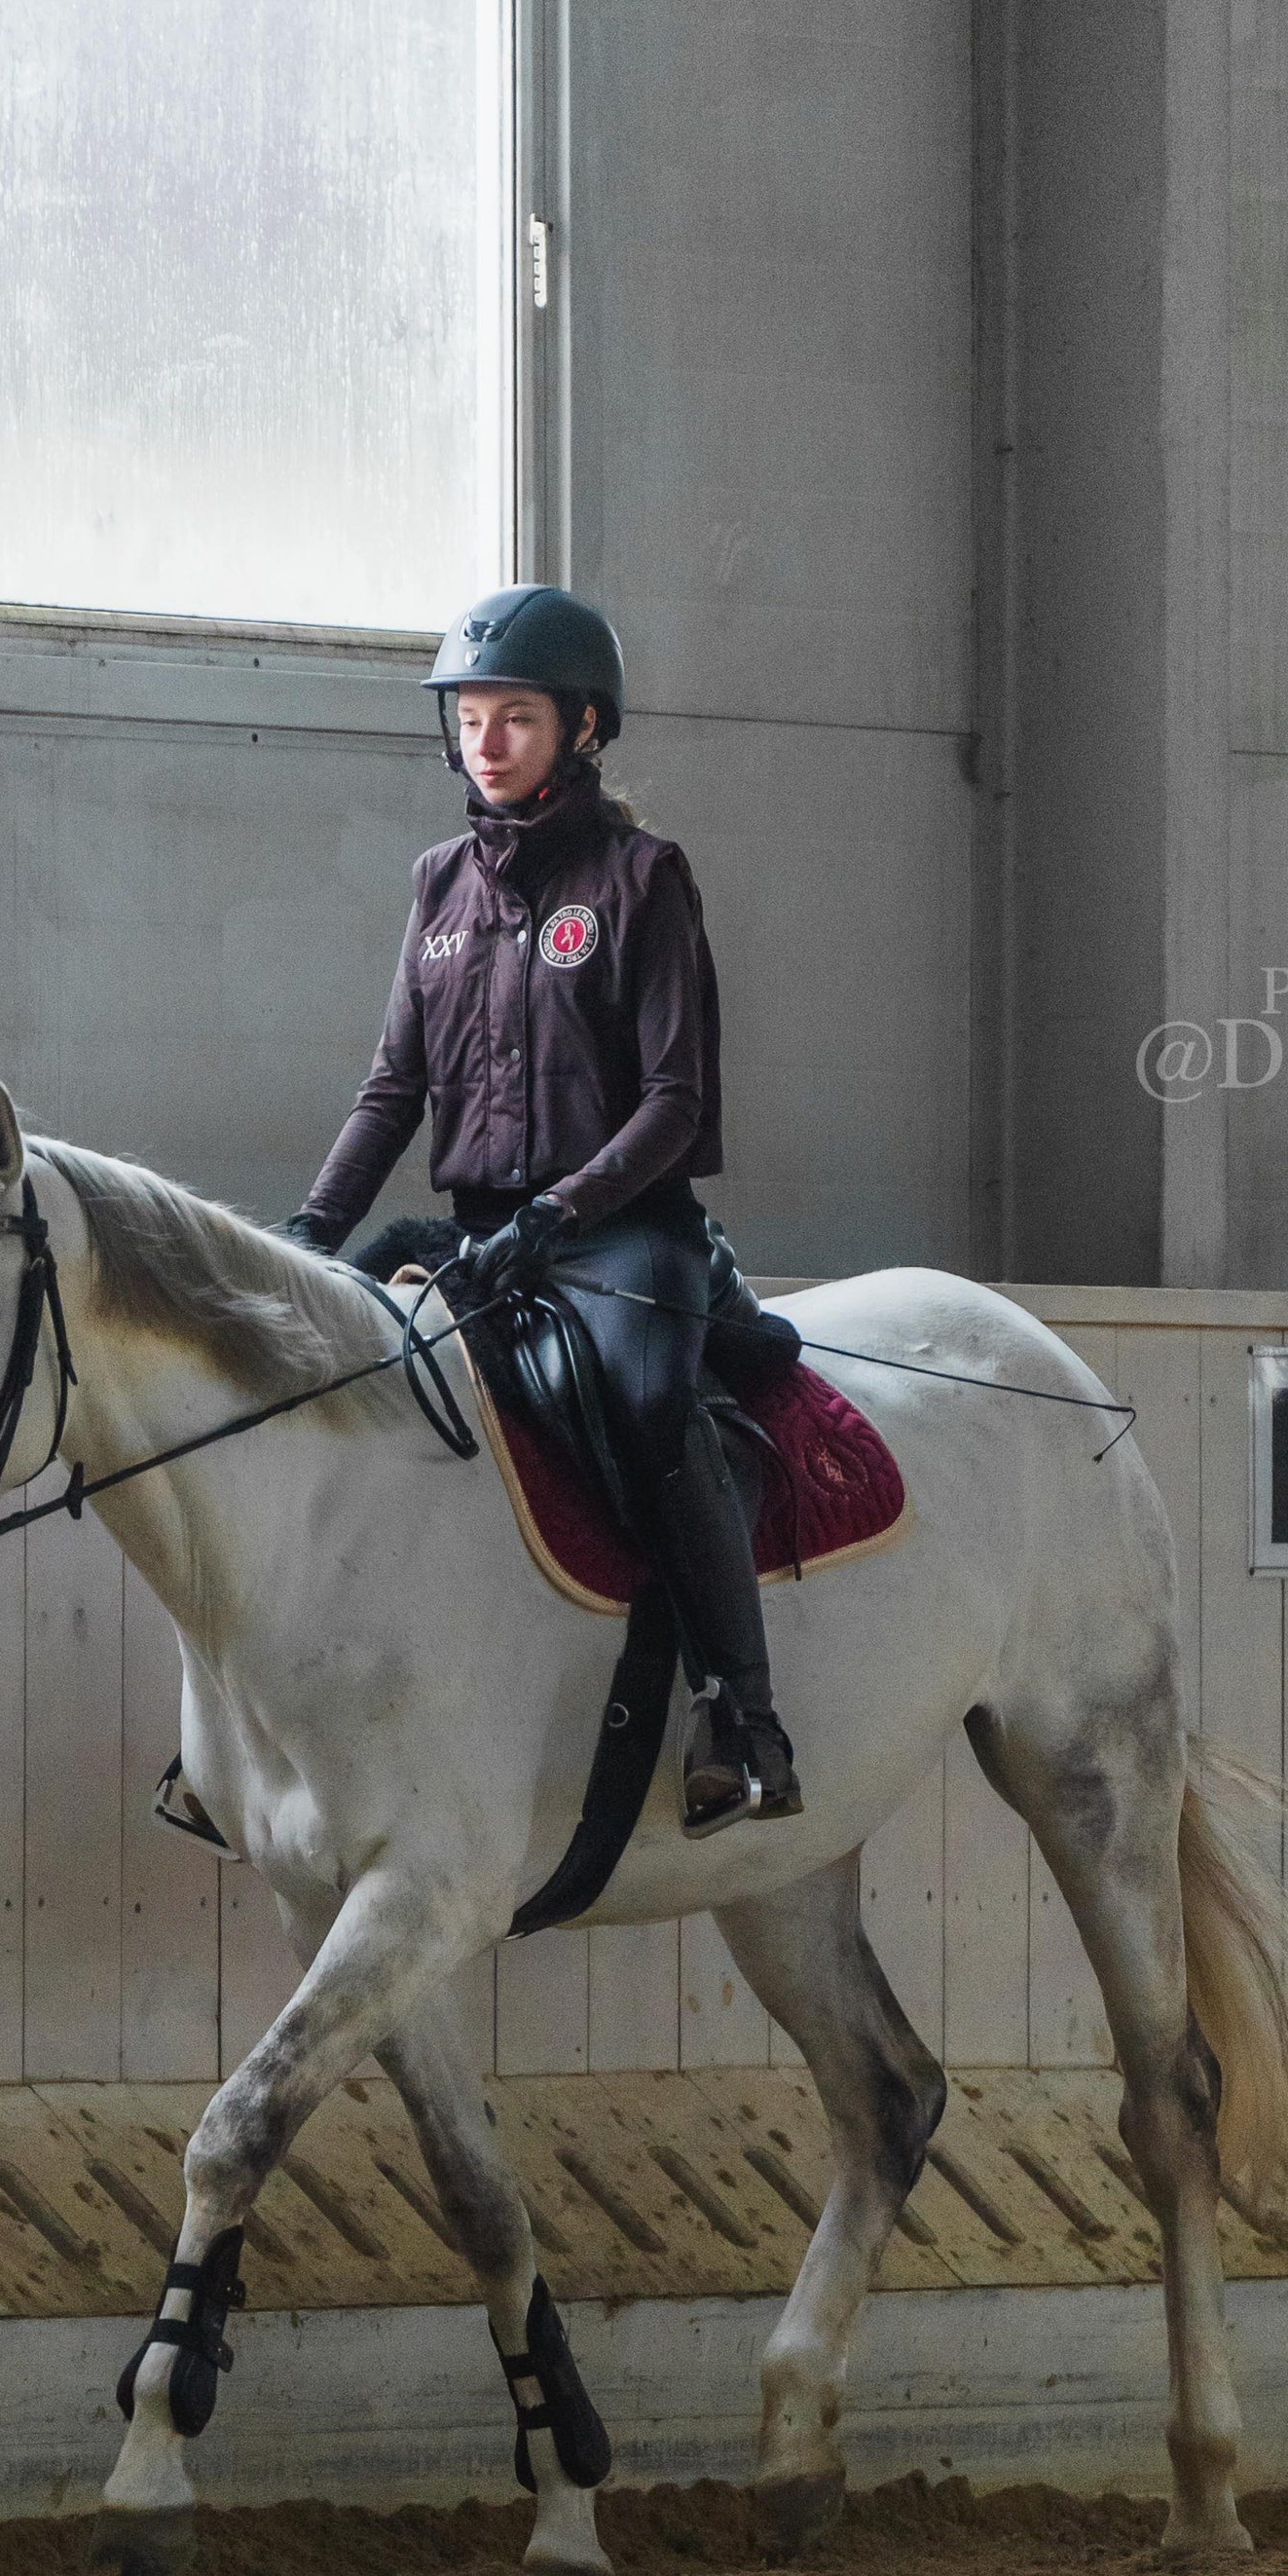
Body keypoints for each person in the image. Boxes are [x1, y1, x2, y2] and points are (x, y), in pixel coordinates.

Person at [280, 584, 802, 1833]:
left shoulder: (642, 880)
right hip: (478, 1234)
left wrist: (564, 1213)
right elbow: (394, 1087)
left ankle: (743, 1708)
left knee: (646, 1402)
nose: (487, 740)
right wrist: (305, 1234)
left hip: (623, 1237)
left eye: (515, 716)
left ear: (580, 729)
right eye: (469, 717)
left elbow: (676, 1100)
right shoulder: (436, 887)